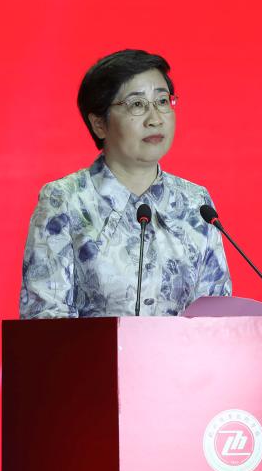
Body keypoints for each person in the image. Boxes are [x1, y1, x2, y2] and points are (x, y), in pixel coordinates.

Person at [19, 49, 232, 318]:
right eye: (137, 105)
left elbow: (217, 317)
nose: (155, 119)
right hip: (93, 349)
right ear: (99, 124)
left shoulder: (195, 203)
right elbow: (44, 318)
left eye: (162, 101)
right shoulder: (66, 200)